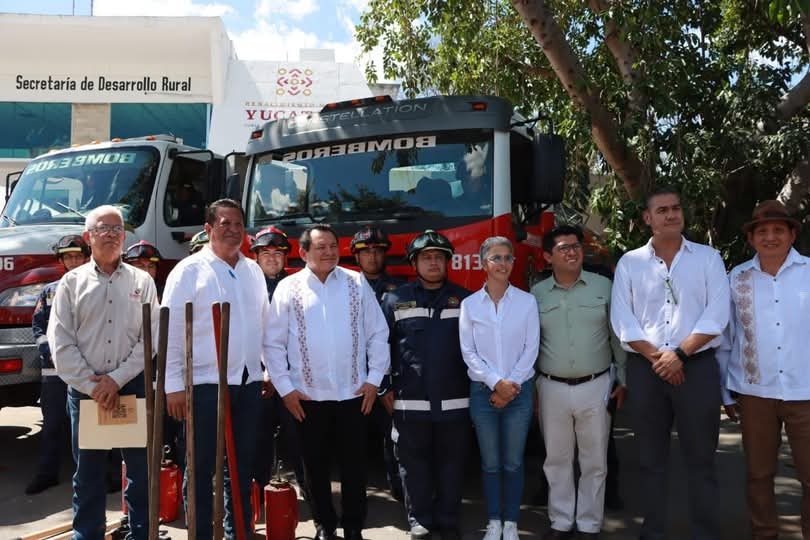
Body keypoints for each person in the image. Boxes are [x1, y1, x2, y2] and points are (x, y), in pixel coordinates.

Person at [610, 187, 730, 540]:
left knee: (702, 461)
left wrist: (679, 355)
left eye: (676, 208)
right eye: (662, 210)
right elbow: (622, 318)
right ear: (647, 218)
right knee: (650, 461)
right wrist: (659, 358)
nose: (671, 215)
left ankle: (705, 533)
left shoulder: (708, 258)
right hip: (646, 370)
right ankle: (653, 532)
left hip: (696, 367)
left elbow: (717, 313)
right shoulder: (629, 263)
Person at [266, 224, 390, 540]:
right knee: (313, 468)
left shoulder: (356, 282)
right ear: (304, 252)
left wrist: (374, 379)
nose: (329, 252)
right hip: (307, 397)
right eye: (321, 247)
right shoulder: (288, 288)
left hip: (354, 395)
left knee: (355, 467)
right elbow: (273, 343)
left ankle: (353, 528)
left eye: (333, 245)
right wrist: (285, 389)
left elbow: (378, 333)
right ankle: (324, 525)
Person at [48, 205, 158, 540]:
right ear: (88, 237)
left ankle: (141, 533)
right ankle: (88, 534)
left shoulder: (142, 281)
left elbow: (149, 338)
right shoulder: (71, 283)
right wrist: (92, 385)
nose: (110, 234)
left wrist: (118, 378)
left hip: (131, 387)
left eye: (117, 229)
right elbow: (61, 341)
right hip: (87, 392)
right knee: (89, 473)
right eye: (102, 228)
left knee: (139, 471)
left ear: (124, 236)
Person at [162, 199, 268, 539]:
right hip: (205, 384)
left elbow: (264, 325)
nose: (234, 229)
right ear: (208, 229)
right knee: (201, 465)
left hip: (248, 383)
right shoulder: (189, 271)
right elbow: (172, 330)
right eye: (226, 223)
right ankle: (200, 532)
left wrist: (265, 369)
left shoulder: (252, 270)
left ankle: (239, 531)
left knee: (241, 467)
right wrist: (173, 385)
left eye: (239, 223)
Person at [717, 200, 810, 540]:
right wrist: (726, 392)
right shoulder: (735, 279)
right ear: (752, 238)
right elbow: (726, 340)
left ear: (792, 234)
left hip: (806, 392)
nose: (770, 237)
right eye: (763, 231)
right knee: (758, 475)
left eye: (778, 230)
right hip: (755, 393)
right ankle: (763, 534)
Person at [532, 225, 627, 539]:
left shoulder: (604, 286)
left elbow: (617, 337)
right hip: (550, 386)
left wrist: (623, 379)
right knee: (556, 459)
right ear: (548, 256)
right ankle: (560, 521)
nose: (572, 252)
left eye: (575, 246)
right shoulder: (536, 294)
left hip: (596, 385)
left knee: (594, 460)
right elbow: (530, 343)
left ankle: (589, 523)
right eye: (563, 248)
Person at [381, 229, 472, 540]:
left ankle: (447, 519)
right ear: (414, 263)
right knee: (413, 467)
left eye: (438, 257)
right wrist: (383, 388)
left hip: (455, 401)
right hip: (410, 402)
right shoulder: (395, 299)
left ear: (447, 262)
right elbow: (380, 346)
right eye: (426, 258)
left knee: (452, 465)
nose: (433, 263)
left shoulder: (466, 301)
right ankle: (419, 519)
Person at [459, 236, 539, 540]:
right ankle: (493, 521)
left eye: (508, 257)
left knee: (513, 462)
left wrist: (510, 386)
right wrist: (496, 384)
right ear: (483, 263)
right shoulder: (469, 305)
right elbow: (468, 352)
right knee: (491, 463)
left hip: (519, 393)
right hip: (483, 394)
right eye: (496, 258)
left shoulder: (527, 302)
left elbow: (531, 348)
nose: (503, 263)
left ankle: (511, 523)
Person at [25, 234, 91, 495]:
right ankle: (47, 474)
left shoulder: (96, 286)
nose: (74, 261)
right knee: (52, 425)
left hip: (88, 371)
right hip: (55, 372)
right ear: (61, 260)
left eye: (78, 256)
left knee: (91, 427)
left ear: (86, 257)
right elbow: (38, 326)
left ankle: (99, 477)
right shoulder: (49, 291)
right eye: (68, 257)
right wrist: (47, 349)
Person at [249, 226, 308, 501]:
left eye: (278, 253)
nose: (272, 258)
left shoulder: (299, 287)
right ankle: (256, 497)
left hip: (293, 377)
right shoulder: (246, 287)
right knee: (257, 439)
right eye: (265, 253)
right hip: (256, 377)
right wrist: (264, 372)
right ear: (256, 257)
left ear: (286, 257)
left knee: (299, 438)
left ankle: (308, 490)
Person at [350, 225, 405, 501]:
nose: (371, 257)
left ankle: (400, 491)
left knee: (393, 439)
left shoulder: (400, 291)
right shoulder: (344, 288)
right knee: (350, 444)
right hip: (350, 381)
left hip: (384, 379)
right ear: (356, 257)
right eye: (365, 252)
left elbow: (398, 342)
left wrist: (384, 385)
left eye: (377, 251)